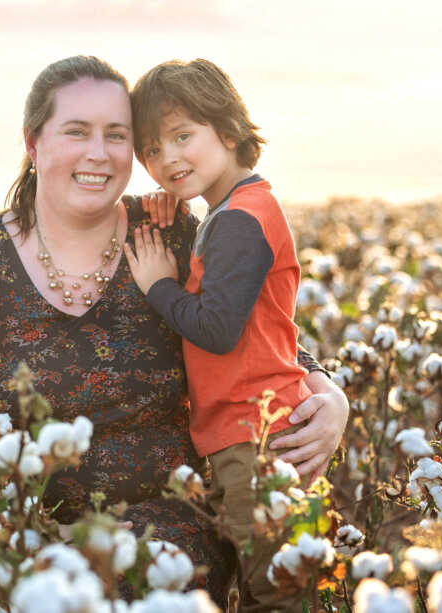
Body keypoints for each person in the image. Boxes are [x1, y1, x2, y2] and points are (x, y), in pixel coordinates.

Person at [0, 55, 349, 606]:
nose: (98, 152)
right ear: (32, 142)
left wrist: (328, 393)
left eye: (116, 135)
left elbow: (253, 327)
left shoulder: (168, 233)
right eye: (76, 131)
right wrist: (28, 531)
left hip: (167, 537)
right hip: (12, 531)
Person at [123, 58, 328, 610]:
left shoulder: (240, 218)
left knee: (274, 594)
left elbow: (217, 328)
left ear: (230, 130)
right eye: (151, 150)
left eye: (182, 136)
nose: (168, 159)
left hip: (255, 433)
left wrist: (158, 286)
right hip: (249, 428)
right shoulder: (233, 210)